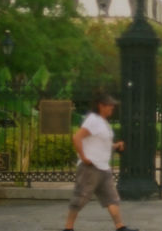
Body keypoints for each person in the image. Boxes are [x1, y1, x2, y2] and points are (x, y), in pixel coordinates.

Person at [62, 93, 136, 231]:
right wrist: (83, 157)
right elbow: (76, 137)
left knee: (111, 198)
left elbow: (101, 143)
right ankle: (68, 228)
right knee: (80, 197)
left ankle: (120, 227)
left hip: (103, 167)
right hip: (90, 167)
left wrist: (115, 146)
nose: (112, 107)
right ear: (101, 106)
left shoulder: (103, 122)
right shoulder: (93, 120)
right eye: (110, 105)